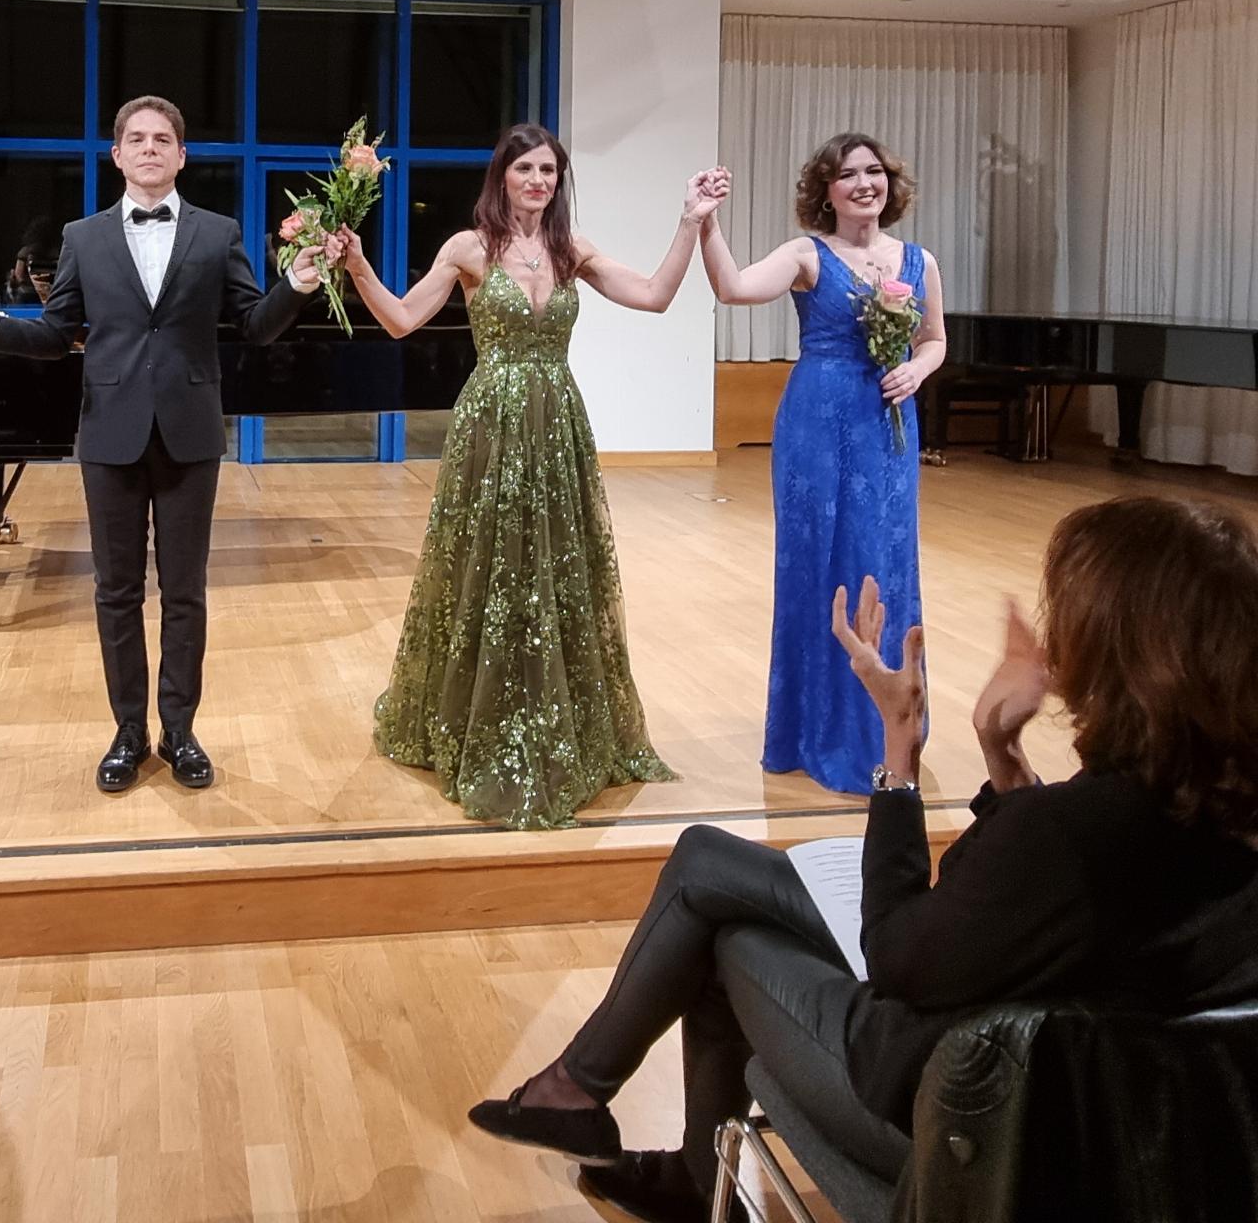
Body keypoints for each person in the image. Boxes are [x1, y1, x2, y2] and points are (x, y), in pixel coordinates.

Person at [467, 494, 1258, 1222]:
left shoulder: (1076, 836)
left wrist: (898, 755)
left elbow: (897, 956)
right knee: (706, 862)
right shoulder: (1205, 809)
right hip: (1131, 1131)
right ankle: (602, 1110)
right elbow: (1051, 902)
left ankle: (675, 1163)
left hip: (966, 1127)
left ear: (1115, 657)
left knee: (724, 935)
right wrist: (1002, 754)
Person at [0, 96, 325, 793]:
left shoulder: (218, 233)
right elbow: (54, 335)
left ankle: (180, 731)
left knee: (186, 592)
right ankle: (127, 731)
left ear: (182, 155)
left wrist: (295, 284)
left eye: (163, 139)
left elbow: (255, 326)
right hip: (109, 432)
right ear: (117, 156)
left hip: (190, 433)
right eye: (136, 139)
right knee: (115, 591)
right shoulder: (82, 238)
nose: (150, 148)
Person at [339, 124, 723, 828]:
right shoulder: (468, 248)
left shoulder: (571, 250)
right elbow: (400, 320)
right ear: (503, 177)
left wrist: (690, 223)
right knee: (487, 564)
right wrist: (360, 266)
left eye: (549, 170)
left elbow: (654, 295)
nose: (538, 181)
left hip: (557, 423)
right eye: (525, 169)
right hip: (491, 424)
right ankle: (475, 713)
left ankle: (556, 713)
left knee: (557, 565)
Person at [699, 134, 946, 794]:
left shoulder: (918, 261)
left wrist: (918, 370)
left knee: (886, 562)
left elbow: (934, 339)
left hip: (887, 426)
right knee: (819, 566)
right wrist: (707, 225)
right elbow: (734, 288)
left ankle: (887, 724)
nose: (865, 184)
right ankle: (815, 728)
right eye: (848, 175)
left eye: (874, 172)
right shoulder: (807, 255)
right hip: (817, 424)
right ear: (827, 191)